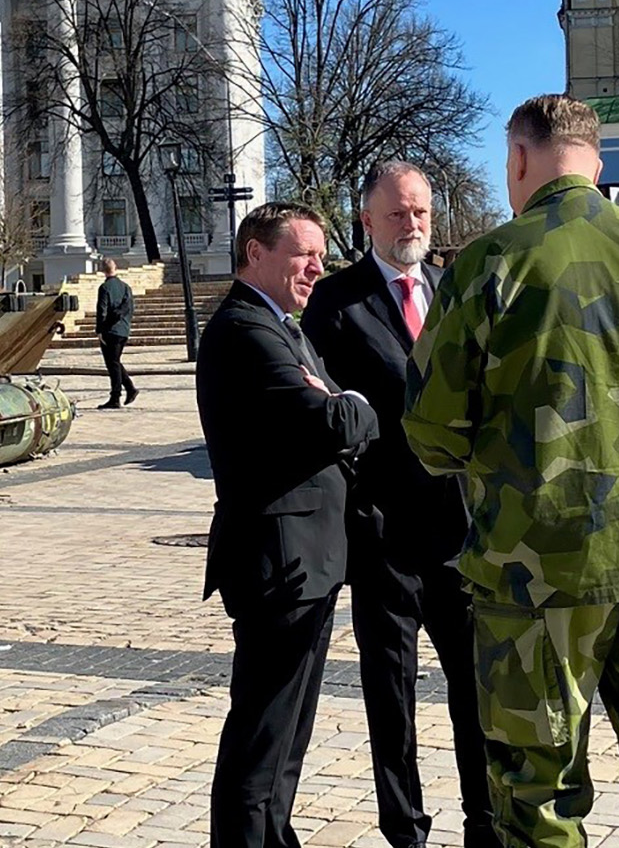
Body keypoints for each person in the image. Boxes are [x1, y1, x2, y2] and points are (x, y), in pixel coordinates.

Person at [403, 94, 619, 848]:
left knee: (537, 801)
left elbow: (430, 430)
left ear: (518, 160)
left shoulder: (491, 264)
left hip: (538, 575)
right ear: (597, 163)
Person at [303, 160, 498, 848]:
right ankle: (405, 829)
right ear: (367, 220)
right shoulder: (336, 302)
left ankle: (487, 819)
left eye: (420, 212)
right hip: (384, 534)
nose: (411, 224)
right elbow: (322, 411)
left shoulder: (455, 290)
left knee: (476, 688)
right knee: (393, 694)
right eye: (397, 214)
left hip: (460, 530)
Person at [198, 201, 380, 848]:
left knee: (287, 737)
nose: (317, 265)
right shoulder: (246, 330)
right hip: (280, 563)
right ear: (256, 253)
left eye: (320, 253)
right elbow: (334, 421)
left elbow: (331, 407)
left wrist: (338, 401)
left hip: (307, 559)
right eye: (304, 252)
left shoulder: (282, 325)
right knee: (262, 741)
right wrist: (350, 404)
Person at [95, 258, 138, 409]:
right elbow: (130, 307)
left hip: (110, 331)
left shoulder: (105, 288)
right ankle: (130, 389)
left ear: (102, 270)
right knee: (115, 361)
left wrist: (99, 330)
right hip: (123, 329)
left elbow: (102, 311)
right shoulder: (126, 287)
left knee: (112, 364)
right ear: (116, 268)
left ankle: (116, 396)